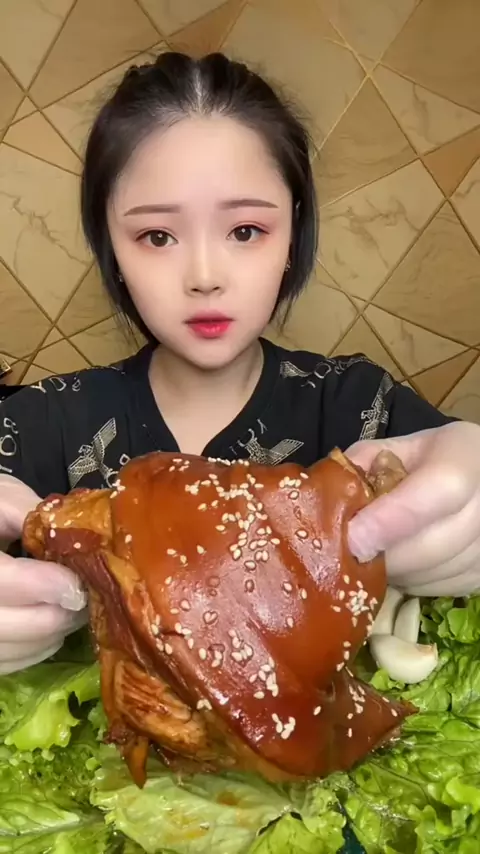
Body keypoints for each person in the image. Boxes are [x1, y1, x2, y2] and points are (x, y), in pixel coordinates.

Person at [1, 52, 479, 676]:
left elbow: (453, 480)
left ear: (293, 234)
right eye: (157, 237)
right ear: (110, 248)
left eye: (246, 231)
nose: (204, 276)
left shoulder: (362, 407)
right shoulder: (40, 423)